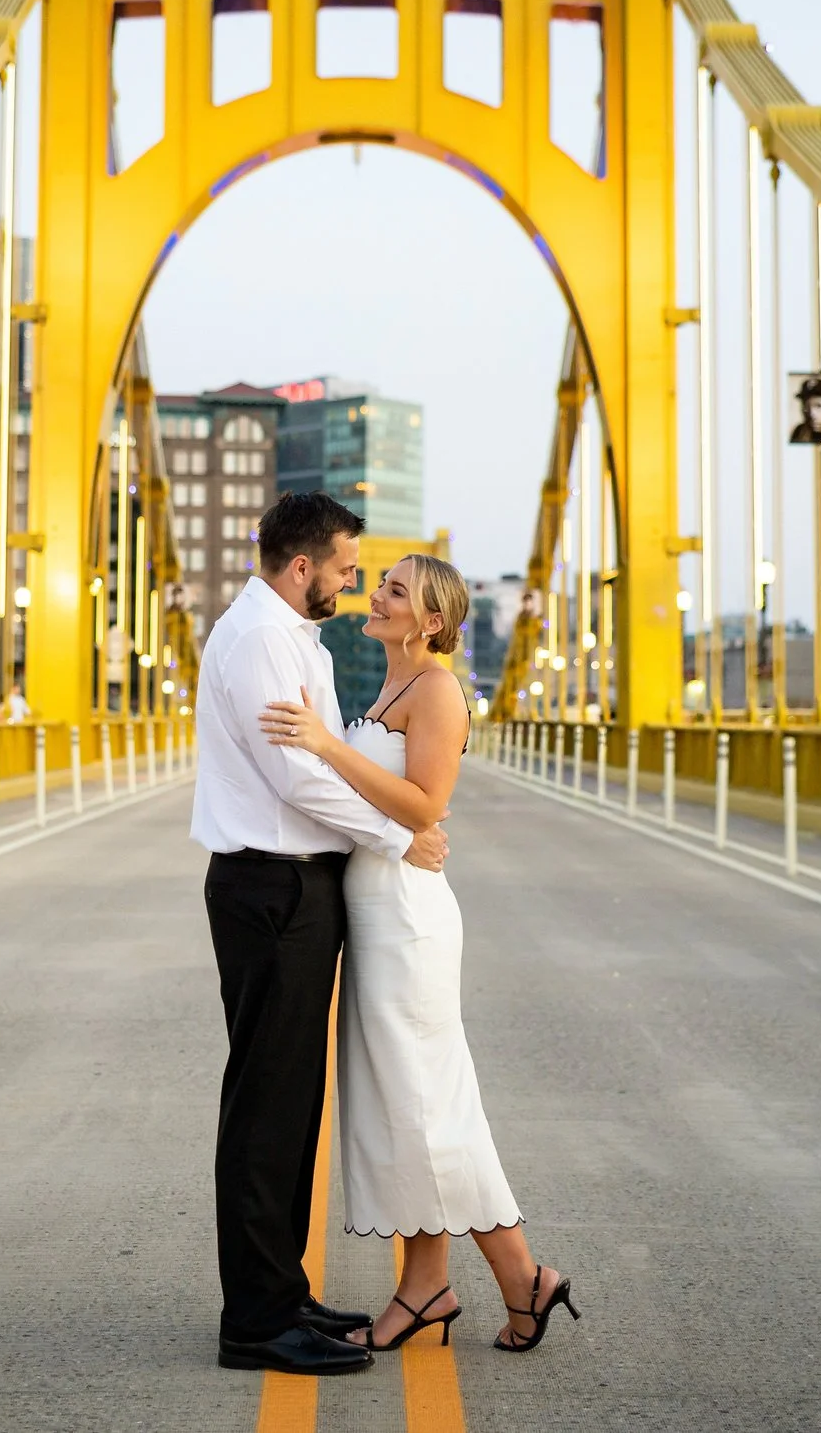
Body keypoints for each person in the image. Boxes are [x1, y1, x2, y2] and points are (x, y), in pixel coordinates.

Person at [259, 553, 578, 1357]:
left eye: (396, 589)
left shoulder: (436, 688)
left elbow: (426, 803)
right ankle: (432, 1284)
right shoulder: (390, 686)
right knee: (411, 1103)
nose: (378, 593)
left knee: (430, 1104)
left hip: (409, 919)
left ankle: (518, 1275)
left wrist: (328, 747)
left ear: (432, 620)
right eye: (382, 582)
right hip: (375, 913)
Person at [189, 492, 449, 1378]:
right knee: (267, 1104)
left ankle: (281, 1291)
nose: (353, 580)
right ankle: (256, 1320)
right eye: (345, 566)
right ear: (302, 567)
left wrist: (383, 830)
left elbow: (325, 755)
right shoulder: (262, 639)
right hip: (271, 886)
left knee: (292, 1102)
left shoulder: (296, 638)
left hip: (297, 886)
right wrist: (396, 834)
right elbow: (297, 777)